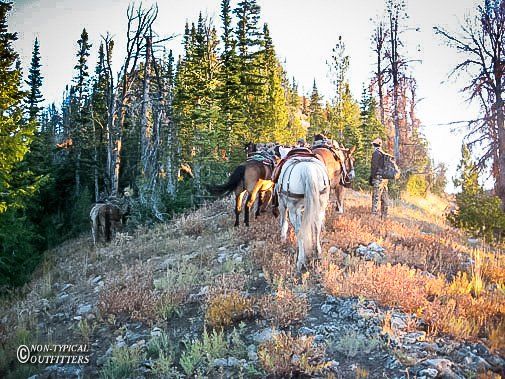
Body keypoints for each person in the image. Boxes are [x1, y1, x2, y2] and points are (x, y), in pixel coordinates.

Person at [369, 138, 389, 218]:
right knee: (384, 198)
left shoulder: (376, 153)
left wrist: (372, 177)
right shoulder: (383, 153)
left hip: (378, 178)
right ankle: (384, 215)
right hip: (384, 179)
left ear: (374, 145)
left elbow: (374, 167)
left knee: (376, 197)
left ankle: (374, 215)